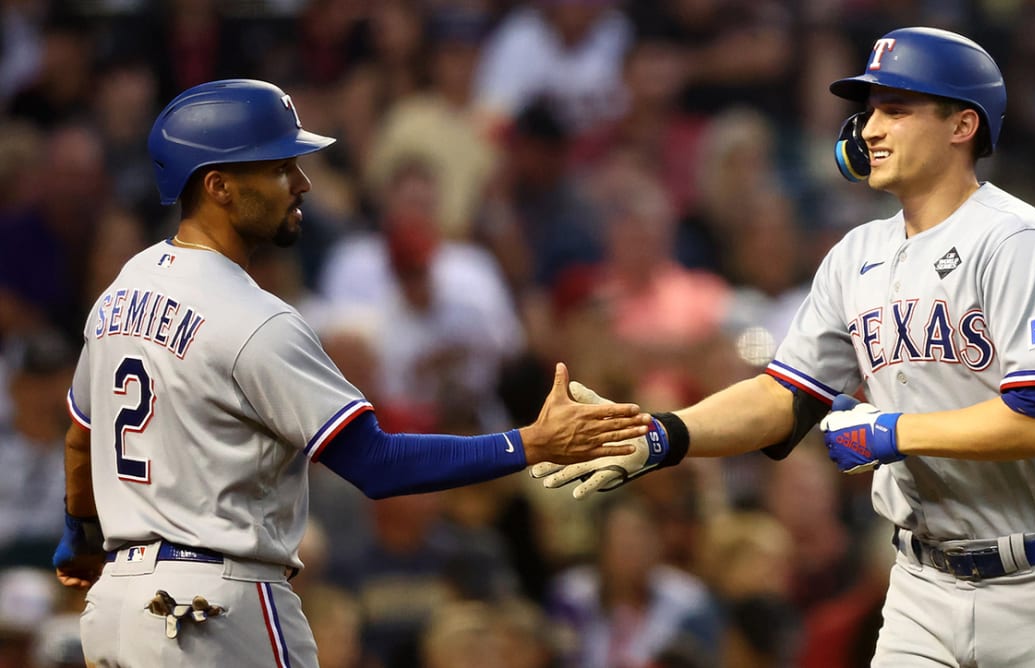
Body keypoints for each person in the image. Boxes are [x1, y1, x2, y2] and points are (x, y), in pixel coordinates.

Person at [534, 27, 1035, 666]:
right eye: (868, 111)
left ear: (962, 125)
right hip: (924, 584)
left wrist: (895, 432)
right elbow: (782, 396)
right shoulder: (854, 256)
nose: (870, 129)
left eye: (895, 109)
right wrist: (664, 435)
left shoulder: (1020, 241)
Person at [49, 78, 649, 668]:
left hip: (118, 610)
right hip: (214, 611)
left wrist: (79, 538)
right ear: (220, 185)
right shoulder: (255, 320)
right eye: (281, 166)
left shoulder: (123, 291)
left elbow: (82, 434)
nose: (302, 183)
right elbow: (376, 465)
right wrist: (531, 443)